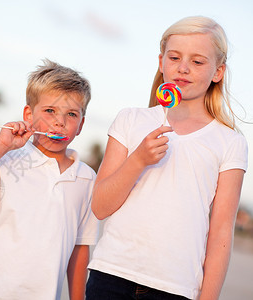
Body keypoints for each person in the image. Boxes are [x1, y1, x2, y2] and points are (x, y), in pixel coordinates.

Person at [86, 16, 248, 300]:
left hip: (176, 289)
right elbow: (99, 206)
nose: (183, 68)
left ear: (218, 71)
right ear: (161, 62)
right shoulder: (131, 120)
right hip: (110, 275)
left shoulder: (230, 142)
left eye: (198, 62)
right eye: (175, 57)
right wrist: (138, 160)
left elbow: (221, 232)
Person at [0, 59, 99, 300]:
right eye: (50, 111)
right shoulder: (8, 159)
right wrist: (0, 146)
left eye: (71, 114)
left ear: (80, 125)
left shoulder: (87, 178)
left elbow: (80, 249)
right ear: (29, 115)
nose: (60, 122)